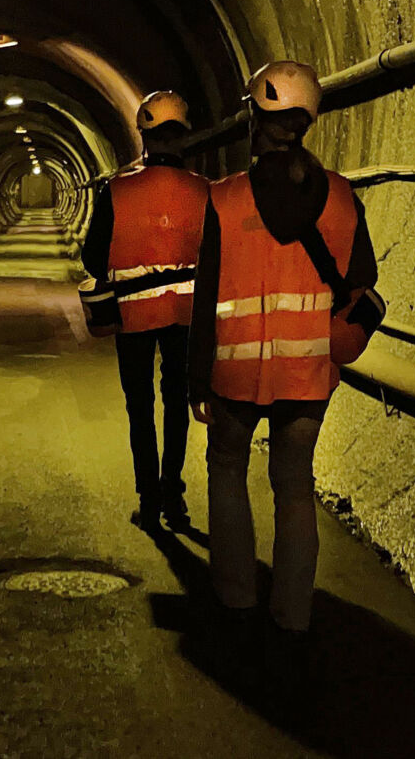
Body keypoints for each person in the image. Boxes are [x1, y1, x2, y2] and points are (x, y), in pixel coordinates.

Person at [188, 60, 378, 633]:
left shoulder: (223, 200)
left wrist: (197, 380)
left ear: (254, 117)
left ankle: (236, 593)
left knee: (226, 470)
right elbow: (361, 279)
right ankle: (293, 612)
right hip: (308, 373)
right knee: (295, 486)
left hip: (236, 373)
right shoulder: (343, 199)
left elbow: (206, 299)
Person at [82, 91, 210, 531]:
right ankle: (175, 496)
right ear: (184, 137)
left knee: (140, 406)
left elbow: (93, 259)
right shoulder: (204, 191)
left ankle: (149, 499)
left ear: (145, 136)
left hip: (132, 315)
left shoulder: (116, 189)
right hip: (187, 315)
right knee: (177, 402)